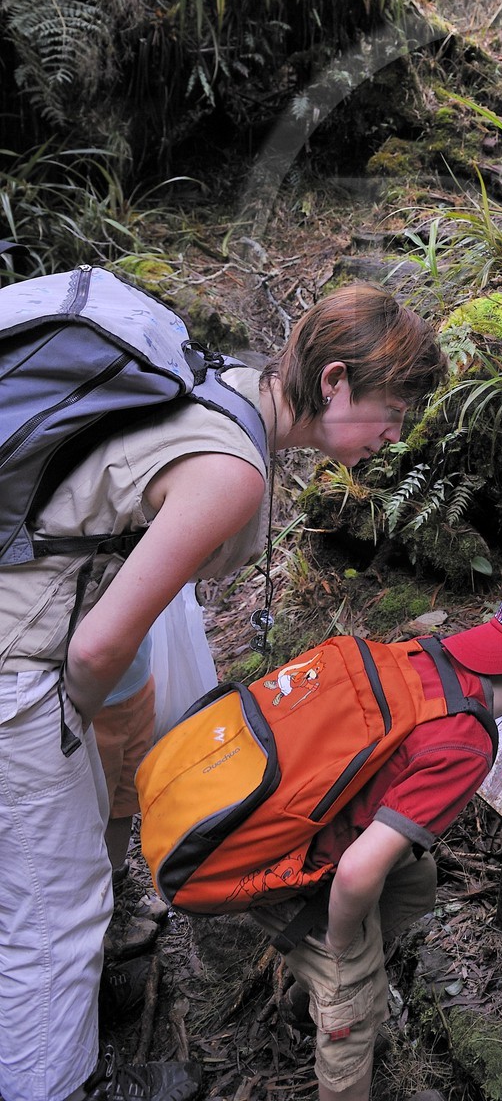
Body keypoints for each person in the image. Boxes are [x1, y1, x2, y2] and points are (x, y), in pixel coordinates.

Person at [0, 282, 445, 1101]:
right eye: (393, 410)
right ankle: (56, 1084)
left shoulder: (226, 387)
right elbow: (99, 644)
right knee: (49, 920)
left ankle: (64, 1019)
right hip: (18, 666)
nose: (395, 435)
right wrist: (71, 719)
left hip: (25, 615)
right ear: (336, 380)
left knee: (53, 879)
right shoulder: (234, 470)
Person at [254, 561, 502, 1101]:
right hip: (285, 864)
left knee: (413, 877)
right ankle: (333, 1005)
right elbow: (360, 870)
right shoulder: (466, 742)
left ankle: (305, 996)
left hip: (299, 810)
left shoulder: (437, 654)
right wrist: (341, 949)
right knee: (353, 1001)